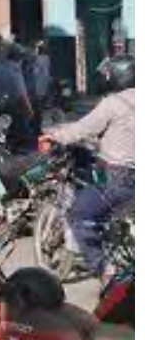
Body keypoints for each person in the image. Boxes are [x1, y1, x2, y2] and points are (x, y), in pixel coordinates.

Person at [41, 56, 134, 276]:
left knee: (79, 215)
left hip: (119, 178)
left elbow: (83, 129)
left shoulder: (114, 103)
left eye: (109, 75)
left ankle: (105, 269)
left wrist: (55, 135)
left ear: (118, 76)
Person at [0, 44, 37, 149]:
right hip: (13, 111)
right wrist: (29, 111)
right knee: (28, 140)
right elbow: (21, 95)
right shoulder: (14, 71)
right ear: (19, 58)